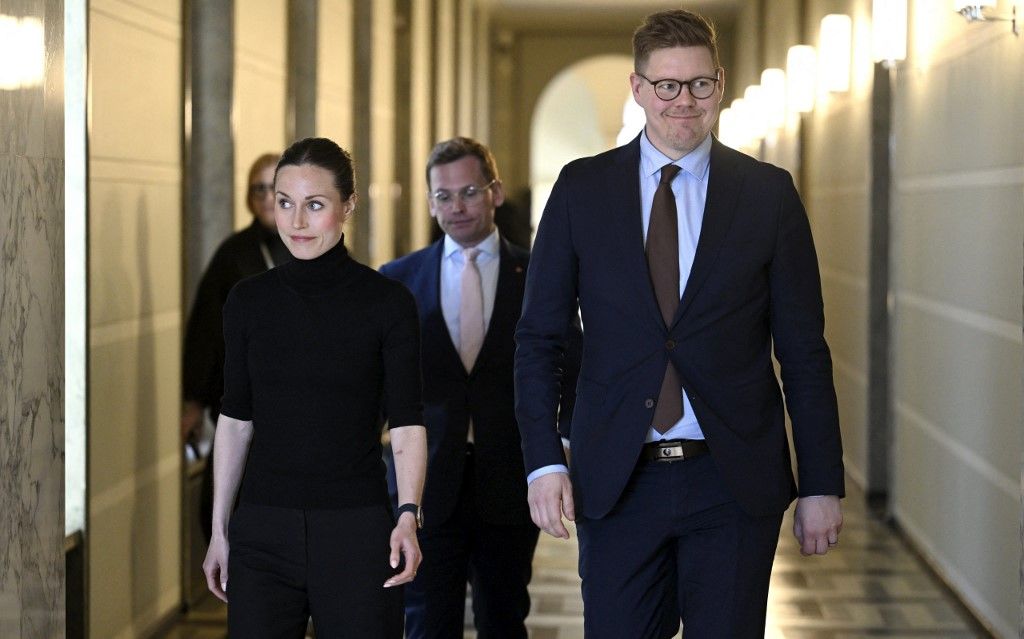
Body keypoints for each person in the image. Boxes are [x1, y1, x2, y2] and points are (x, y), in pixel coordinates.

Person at [514, 9, 845, 639]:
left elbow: (803, 350)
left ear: (719, 84)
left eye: (698, 84)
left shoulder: (768, 194)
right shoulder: (582, 189)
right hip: (616, 475)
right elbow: (538, 339)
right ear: (638, 89)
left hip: (733, 480)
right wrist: (542, 462)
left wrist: (822, 483)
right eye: (666, 85)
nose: (683, 102)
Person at [202, 137, 427, 638]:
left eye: (315, 205)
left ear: (348, 206)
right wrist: (220, 530)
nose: (296, 222)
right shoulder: (247, 302)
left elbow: (408, 422)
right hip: (262, 531)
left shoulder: (387, 303)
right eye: (285, 203)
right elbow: (236, 420)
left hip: (358, 532)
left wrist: (408, 514)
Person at [380, 137, 579, 638]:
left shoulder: (537, 274)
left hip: (511, 480)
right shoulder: (398, 281)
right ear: (429, 202)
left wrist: (564, 451)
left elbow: (573, 369)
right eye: (443, 196)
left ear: (495, 192)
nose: (456, 206)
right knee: (426, 620)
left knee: (504, 617)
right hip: (424, 486)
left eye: (469, 191)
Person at [181, 153, 291, 541]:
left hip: (300, 408)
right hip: (244, 404)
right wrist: (193, 400)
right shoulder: (233, 254)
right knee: (226, 510)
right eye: (257, 189)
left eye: (273, 188)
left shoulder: (311, 245)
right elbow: (206, 331)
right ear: (248, 198)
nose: (265, 197)